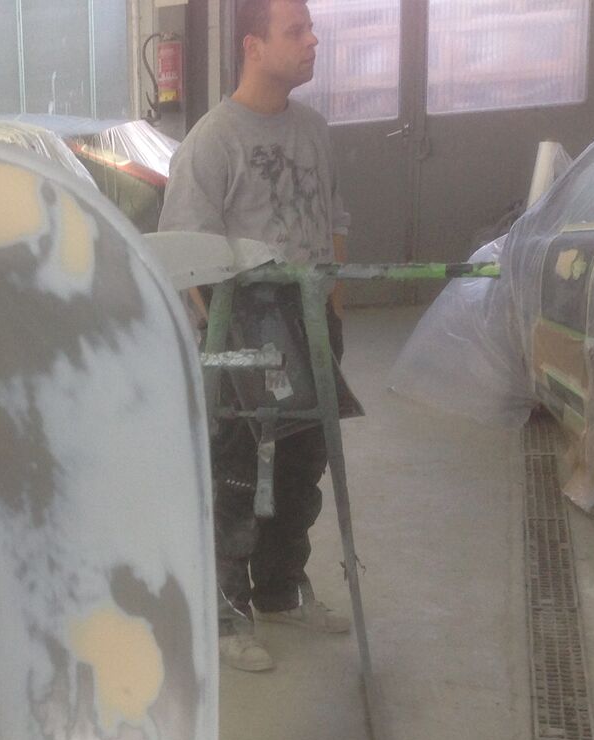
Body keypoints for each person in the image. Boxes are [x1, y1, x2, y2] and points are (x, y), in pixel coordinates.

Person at [159, 0, 357, 673]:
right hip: (242, 338)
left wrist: (332, 314)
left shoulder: (314, 130)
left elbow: (334, 221)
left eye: (310, 28)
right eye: (295, 31)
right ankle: (226, 616)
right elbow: (187, 255)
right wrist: (230, 350)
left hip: (312, 332)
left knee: (299, 474)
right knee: (238, 479)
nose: (312, 40)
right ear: (253, 45)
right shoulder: (212, 142)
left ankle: (279, 591)